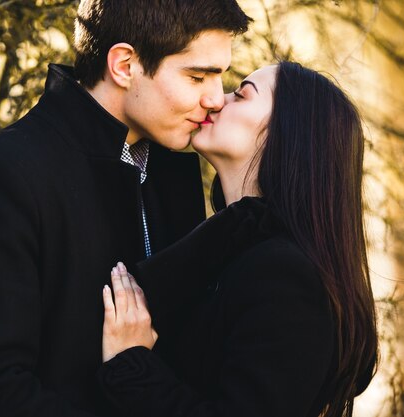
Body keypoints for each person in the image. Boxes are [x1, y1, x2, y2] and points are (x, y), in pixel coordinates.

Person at [0, 1, 251, 416]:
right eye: (197, 75)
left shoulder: (176, 174)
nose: (216, 99)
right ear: (124, 65)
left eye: (220, 75)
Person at [98, 61, 379, 417]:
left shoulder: (288, 277)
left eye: (241, 94)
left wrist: (132, 364)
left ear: (285, 135)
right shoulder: (226, 252)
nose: (216, 100)